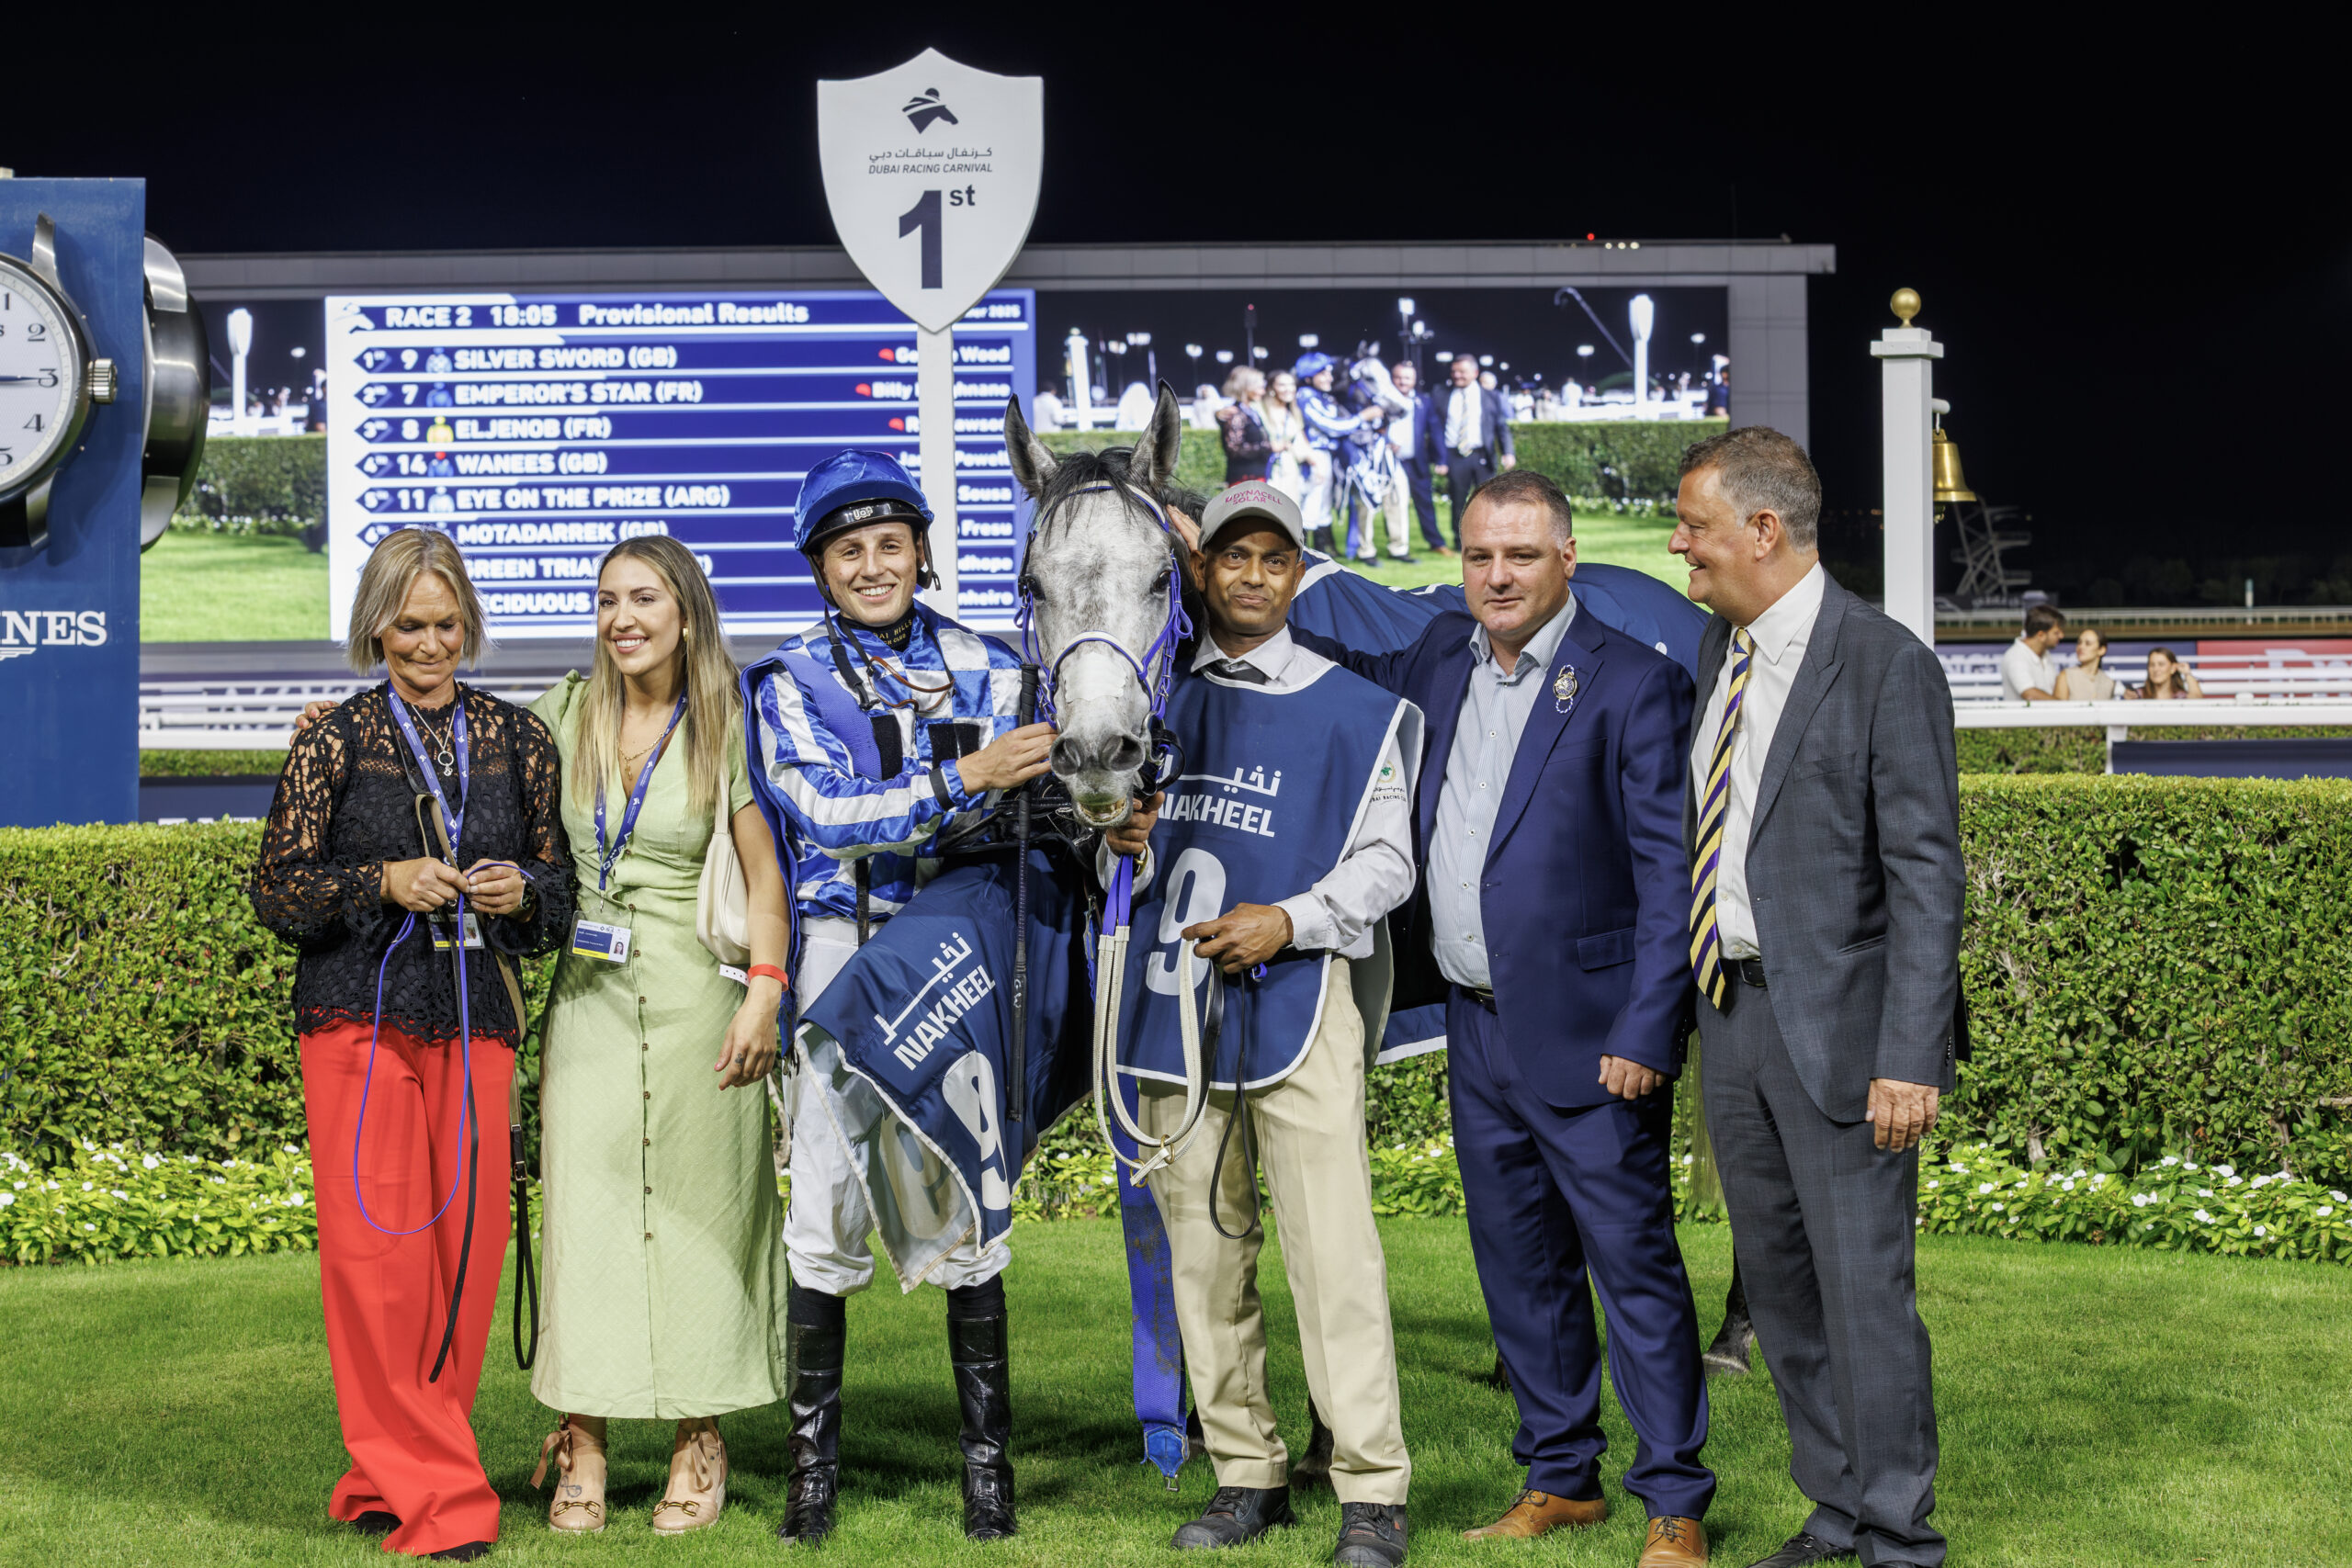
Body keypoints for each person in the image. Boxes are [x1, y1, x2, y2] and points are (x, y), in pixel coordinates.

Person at [1291, 468, 1713, 1568]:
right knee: (1521, 1270)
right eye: (1479, 555)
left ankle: (1674, 1499)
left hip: (1594, 1036)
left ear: (1567, 558)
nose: (1497, 576)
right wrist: (1224, 590)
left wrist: (1646, 1031)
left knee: (1634, 1272)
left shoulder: (1636, 684)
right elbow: (1332, 670)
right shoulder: (1440, 655)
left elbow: (1669, 881)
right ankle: (1561, 1478)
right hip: (1476, 1030)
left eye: (1521, 555)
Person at [742, 448, 1056, 1546]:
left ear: (921, 551)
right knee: (825, 1203)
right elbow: (826, 815)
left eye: (890, 543)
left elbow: (1038, 812)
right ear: (819, 568)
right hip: (845, 954)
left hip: (959, 949)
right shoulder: (785, 682)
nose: (872, 565)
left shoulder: (996, 666)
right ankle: (812, 1477)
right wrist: (964, 781)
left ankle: (988, 1475)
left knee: (967, 1191)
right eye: (848, 550)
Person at [1104, 479, 1420, 1567]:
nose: (1250, 575)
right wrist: (1114, 841)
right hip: (1170, 1014)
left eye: (1271, 558)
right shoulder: (1146, 706)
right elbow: (1110, 868)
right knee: (1203, 1257)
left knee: (1333, 1258)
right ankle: (1247, 1472)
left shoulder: (1357, 708)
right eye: (1231, 556)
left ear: (1297, 573)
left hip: (1302, 1002)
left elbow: (1387, 864)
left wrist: (1290, 919)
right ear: (1201, 572)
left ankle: (1371, 1489)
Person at [251, 527, 573, 1562]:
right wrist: (380, 881)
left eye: (446, 624)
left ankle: (383, 1470)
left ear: (467, 621)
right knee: (379, 1260)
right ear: (375, 628)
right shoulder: (334, 741)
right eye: (408, 627)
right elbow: (278, 892)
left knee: (467, 1262)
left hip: (479, 1017)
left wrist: (523, 890)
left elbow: (560, 894)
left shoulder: (521, 740)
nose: (430, 645)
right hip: (360, 1019)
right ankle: (443, 1499)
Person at [1668, 426, 1960, 1568]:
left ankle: (1897, 1536)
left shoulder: (1884, 663)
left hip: (1843, 1039)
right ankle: (1835, 1513)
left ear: (1762, 529)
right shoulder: (1719, 649)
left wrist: (1909, 1057)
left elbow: (1926, 878)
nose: (1679, 545)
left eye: (1692, 524)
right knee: (1780, 1298)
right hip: (1732, 1019)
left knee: (1863, 1297)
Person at [523, 536, 794, 1538]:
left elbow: (764, 882)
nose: (621, 618)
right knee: (586, 1222)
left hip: (698, 1008)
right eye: (607, 600)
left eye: (642, 599)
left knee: (704, 1220)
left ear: (686, 613)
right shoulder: (564, 714)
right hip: (587, 1008)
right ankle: (583, 1440)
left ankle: (698, 1439)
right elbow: (462, 749)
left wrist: (764, 994)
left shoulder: (726, 722)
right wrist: (347, 722)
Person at [1296, 352, 1370, 556]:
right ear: (1308, 377)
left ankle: (1323, 551)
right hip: (1314, 455)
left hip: (1327, 454)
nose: (1329, 378)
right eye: (1323, 374)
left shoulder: (1324, 396)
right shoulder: (1305, 396)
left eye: (1329, 373)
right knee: (1313, 501)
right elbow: (1331, 426)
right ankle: (1305, 553)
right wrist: (1361, 418)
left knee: (1324, 502)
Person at [1433, 356, 1516, 535]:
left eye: (1462, 371)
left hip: (1482, 455)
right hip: (1455, 456)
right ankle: (1460, 541)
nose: (1457, 375)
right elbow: (1434, 427)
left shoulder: (1491, 396)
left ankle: (1489, 538)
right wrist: (1439, 458)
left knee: (1488, 501)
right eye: (1454, 371)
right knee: (1458, 501)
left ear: (1475, 373)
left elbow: (1501, 427)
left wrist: (1508, 452)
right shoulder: (1441, 394)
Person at [1390, 361, 1450, 555]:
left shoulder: (1424, 401)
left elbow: (1435, 431)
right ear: (1392, 378)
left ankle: (1436, 543)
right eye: (1398, 377)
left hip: (1416, 462)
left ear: (1414, 380)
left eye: (1407, 378)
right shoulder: (1383, 400)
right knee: (1393, 504)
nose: (1402, 381)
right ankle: (1396, 546)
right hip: (1389, 462)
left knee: (1425, 503)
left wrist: (1441, 459)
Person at [1216, 366, 1275, 481]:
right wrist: (1268, 447)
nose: (1263, 392)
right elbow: (1234, 449)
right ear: (1245, 387)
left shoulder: (1250, 411)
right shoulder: (1235, 413)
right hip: (1244, 478)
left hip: (1256, 475)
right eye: (1259, 388)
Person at [1997, 604, 2065, 702]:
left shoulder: (2045, 654)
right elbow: (2029, 694)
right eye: (2056, 633)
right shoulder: (2015, 656)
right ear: (2041, 635)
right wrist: (2063, 706)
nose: (2061, 636)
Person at [1262, 369, 1311, 506]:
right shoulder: (1262, 410)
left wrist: (1316, 464)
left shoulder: (1293, 411)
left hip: (1290, 468)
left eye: (1291, 384)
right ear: (1271, 388)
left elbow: (1302, 440)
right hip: (1269, 469)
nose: (1288, 389)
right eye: (1282, 385)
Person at [2052, 626, 2116, 701]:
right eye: (2079, 643)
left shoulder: (2108, 682)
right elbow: (2059, 707)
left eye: (2088, 643)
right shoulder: (2065, 676)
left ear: (2101, 650)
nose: (2081, 647)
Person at [2140, 645, 2205, 700]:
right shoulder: (2139, 694)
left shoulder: (2180, 696)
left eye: (2161, 664)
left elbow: (2197, 699)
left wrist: (2187, 673)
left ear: (2172, 668)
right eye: (2152, 665)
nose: (2156, 669)